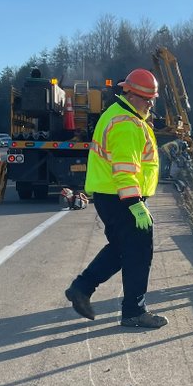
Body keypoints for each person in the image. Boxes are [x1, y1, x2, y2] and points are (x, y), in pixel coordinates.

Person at [64, 68, 168, 329]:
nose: (150, 104)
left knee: (122, 249)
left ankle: (82, 287)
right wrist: (136, 204)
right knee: (139, 254)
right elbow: (124, 169)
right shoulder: (126, 123)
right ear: (131, 95)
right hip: (123, 197)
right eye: (146, 99)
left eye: (152, 99)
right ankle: (134, 311)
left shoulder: (121, 116)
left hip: (113, 196)